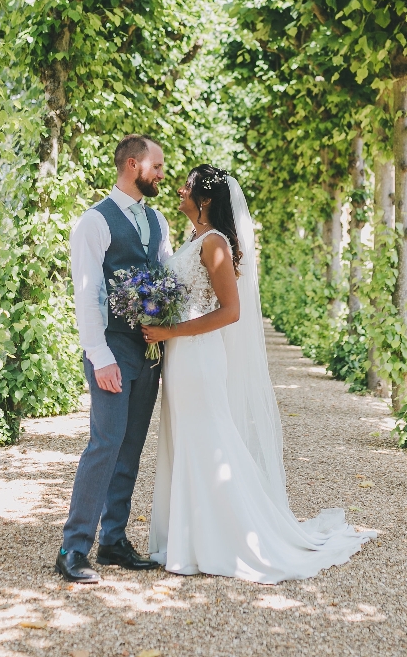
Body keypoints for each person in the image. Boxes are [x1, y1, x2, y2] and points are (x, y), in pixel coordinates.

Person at [141, 165, 374, 583]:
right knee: (186, 439)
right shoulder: (193, 239)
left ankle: (223, 540)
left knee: (207, 440)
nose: (180, 189)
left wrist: (168, 330)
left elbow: (231, 312)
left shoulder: (213, 244)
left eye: (189, 186)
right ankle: (188, 538)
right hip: (180, 356)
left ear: (205, 199)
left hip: (197, 355)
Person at [58, 135, 172, 583]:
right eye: (157, 166)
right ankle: (73, 548)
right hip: (112, 348)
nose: (163, 174)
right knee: (105, 443)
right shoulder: (94, 222)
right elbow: (88, 295)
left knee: (131, 446)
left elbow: (165, 276)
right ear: (132, 164)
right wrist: (99, 356)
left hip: (149, 349)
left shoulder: (158, 219)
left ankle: (114, 541)